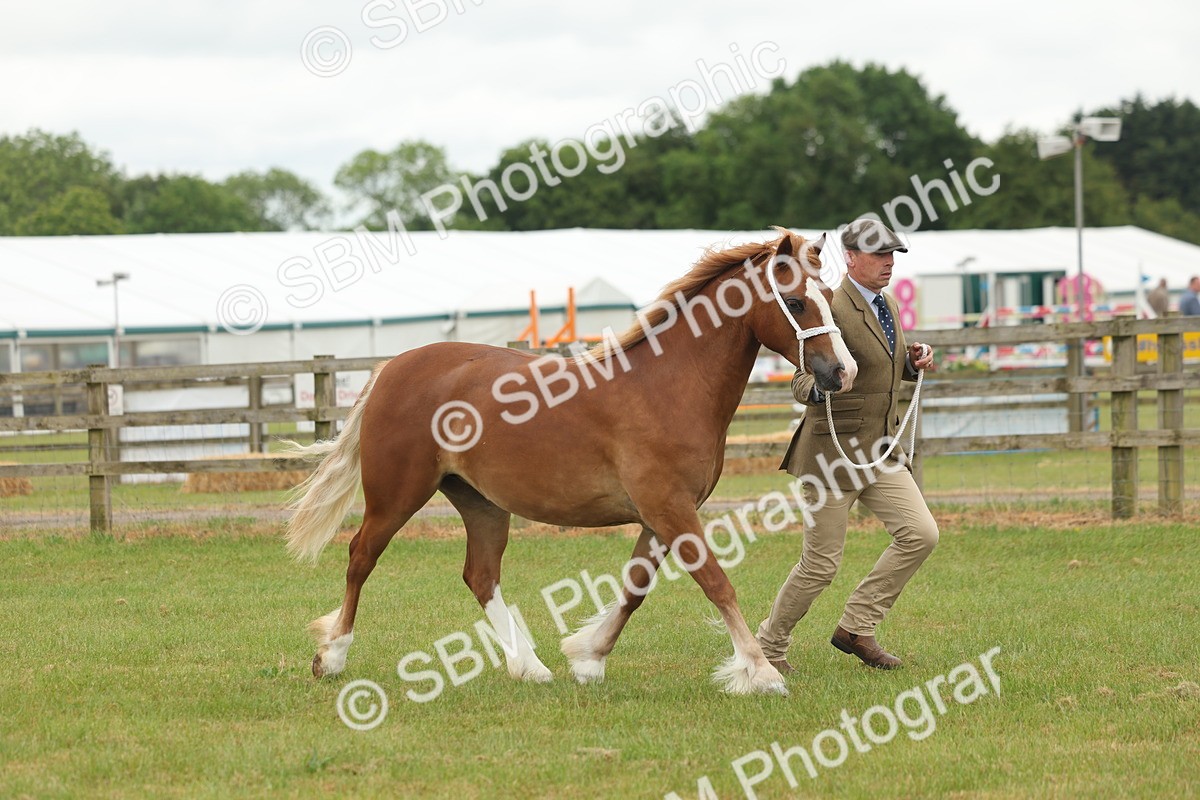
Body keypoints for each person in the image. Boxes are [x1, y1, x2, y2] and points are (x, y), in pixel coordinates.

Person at [757, 219, 938, 673]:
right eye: (878, 255)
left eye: (892, 255)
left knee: (921, 535)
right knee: (820, 566)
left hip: (880, 451)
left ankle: (857, 627)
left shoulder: (888, 305)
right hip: (831, 456)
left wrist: (914, 362)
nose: (888, 264)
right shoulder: (830, 305)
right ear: (850, 258)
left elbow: (887, 368)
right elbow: (800, 378)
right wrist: (816, 390)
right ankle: (768, 647)